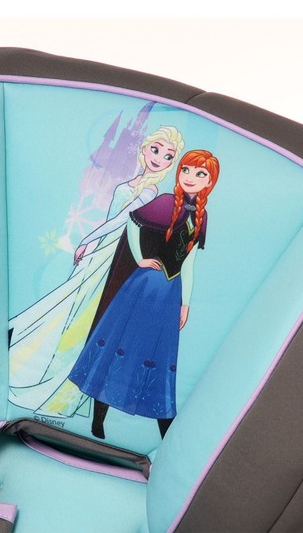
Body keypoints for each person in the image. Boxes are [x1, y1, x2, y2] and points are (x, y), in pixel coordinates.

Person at [8, 126, 185, 417]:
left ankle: (61, 396)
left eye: (167, 156)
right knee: (71, 310)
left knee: (85, 318)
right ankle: (37, 371)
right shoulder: (134, 183)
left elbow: (120, 221)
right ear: (144, 149)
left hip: (116, 259)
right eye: (155, 149)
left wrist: (87, 239)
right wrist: (92, 245)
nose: (158, 158)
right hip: (102, 251)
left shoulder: (150, 191)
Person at [67, 149, 220, 439]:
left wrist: (186, 303)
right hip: (144, 286)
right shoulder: (165, 202)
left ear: (209, 182)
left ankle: (167, 435)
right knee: (120, 344)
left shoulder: (202, 216)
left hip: (170, 293)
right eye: (186, 170)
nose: (190, 177)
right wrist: (140, 258)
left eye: (200, 174)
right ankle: (98, 421)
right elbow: (132, 222)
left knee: (159, 355)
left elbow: (189, 263)